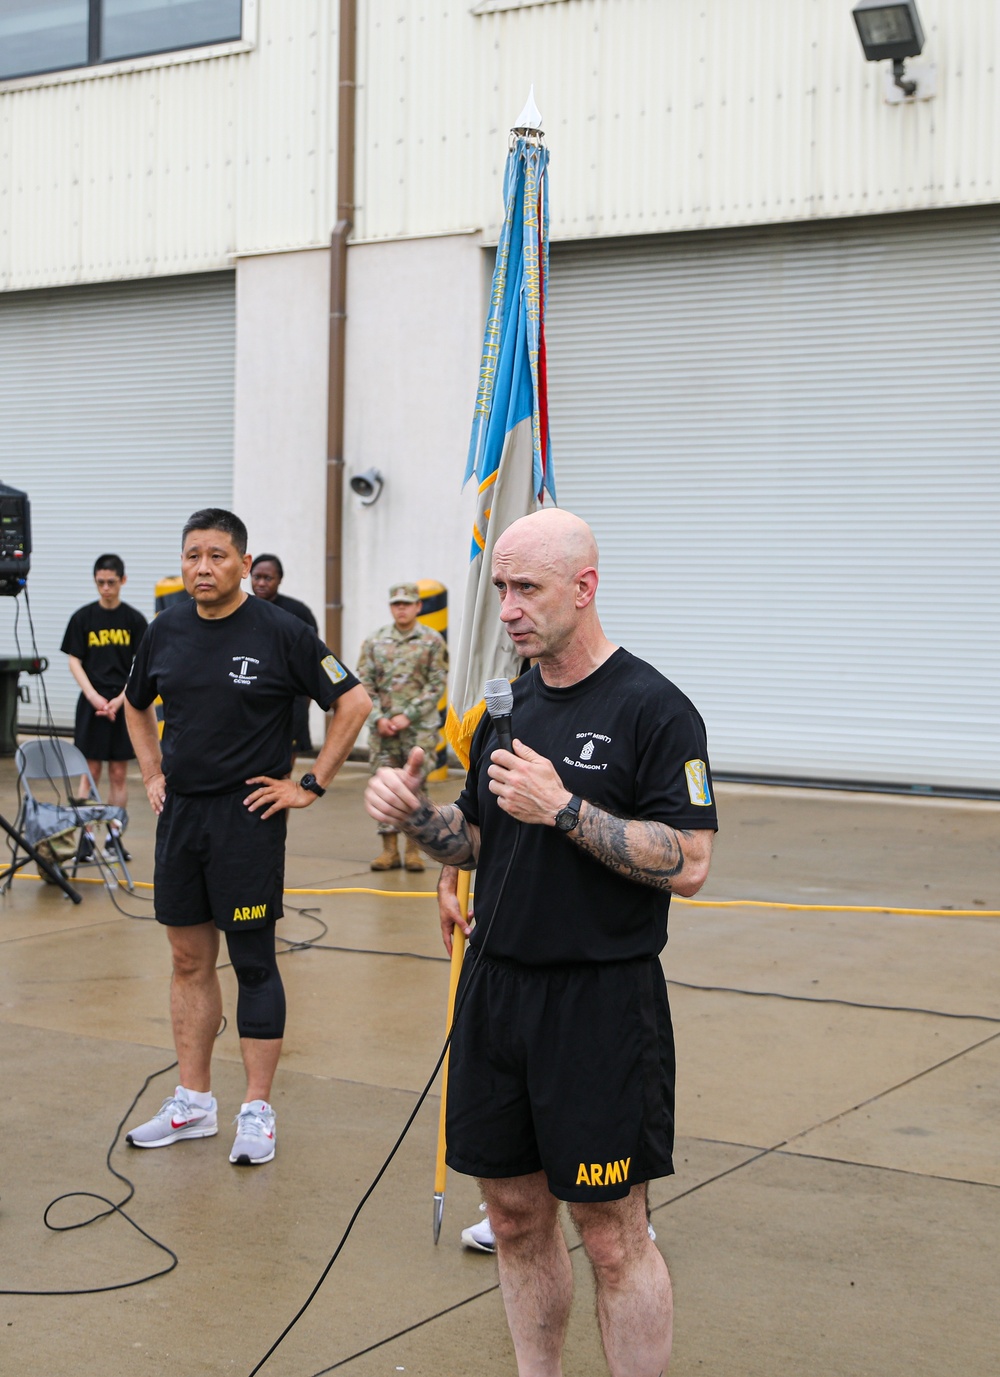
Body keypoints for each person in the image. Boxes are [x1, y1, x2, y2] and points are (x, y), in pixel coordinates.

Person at [366, 508, 717, 1375]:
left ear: (584, 587)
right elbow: (482, 835)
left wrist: (563, 807)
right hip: (496, 993)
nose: (510, 608)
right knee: (517, 1218)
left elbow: (690, 861)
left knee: (610, 1236)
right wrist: (420, 821)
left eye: (527, 588)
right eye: (501, 589)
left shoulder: (655, 709)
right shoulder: (509, 704)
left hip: (598, 1004)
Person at [123, 508, 370, 1166]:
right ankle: (193, 1102)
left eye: (218, 556)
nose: (203, 567)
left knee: (253, 961)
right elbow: (135, 704)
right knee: (186, 960)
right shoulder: (164, 630)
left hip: (248, 817)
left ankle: (256, 1108)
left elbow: (353, 702)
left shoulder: (282, 632)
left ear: (242, 562)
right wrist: (151, 772)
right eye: (193, 555)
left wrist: (310, 784)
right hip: (182, 817)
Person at [60, 554, 149, 860]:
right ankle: (85, 839)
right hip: (92, 704)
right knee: (90, 771)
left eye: (111, 582)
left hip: (122, 703)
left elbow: (142, 665)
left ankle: (113, 837)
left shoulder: (134, 620)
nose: (106, 588)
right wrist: (93, 696)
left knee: (119, 774)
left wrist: (121, 699)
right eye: (100, 582)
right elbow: (74, 660)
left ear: (123, 581)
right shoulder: (83, 618)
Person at [357, 582, 448, 872]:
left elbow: (436, 684)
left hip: (418, 728)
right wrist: (378, 718)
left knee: (415, 787)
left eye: (407, 603)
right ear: (391, 606)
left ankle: (413, 850)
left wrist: (408, 715)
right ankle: (388, 851)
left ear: (418, 606)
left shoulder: (432, 640)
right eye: (397, 604)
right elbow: (364, 684)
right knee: (385, 785)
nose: (402, 609)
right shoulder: (375, 641)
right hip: (383, 730)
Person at [250, 552, 319, 763]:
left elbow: (312, 660)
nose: (261, 583)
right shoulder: (241, 609)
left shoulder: (298, 612)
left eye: (267, 578)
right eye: (256, 577)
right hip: (251, 693)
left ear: (279, 579)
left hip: (290, 697)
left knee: (285, 756)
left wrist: (303, 701)